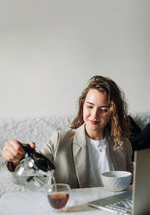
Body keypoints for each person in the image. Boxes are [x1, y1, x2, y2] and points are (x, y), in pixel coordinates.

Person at [1, 75, 133, 188]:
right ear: (82, 106)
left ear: (112, 113)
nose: (94, 115)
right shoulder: (60, 140)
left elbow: (131, 186)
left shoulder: (124, 144)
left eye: (103, 109)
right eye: (90, 107)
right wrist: (17, 160)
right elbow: (32, 175)